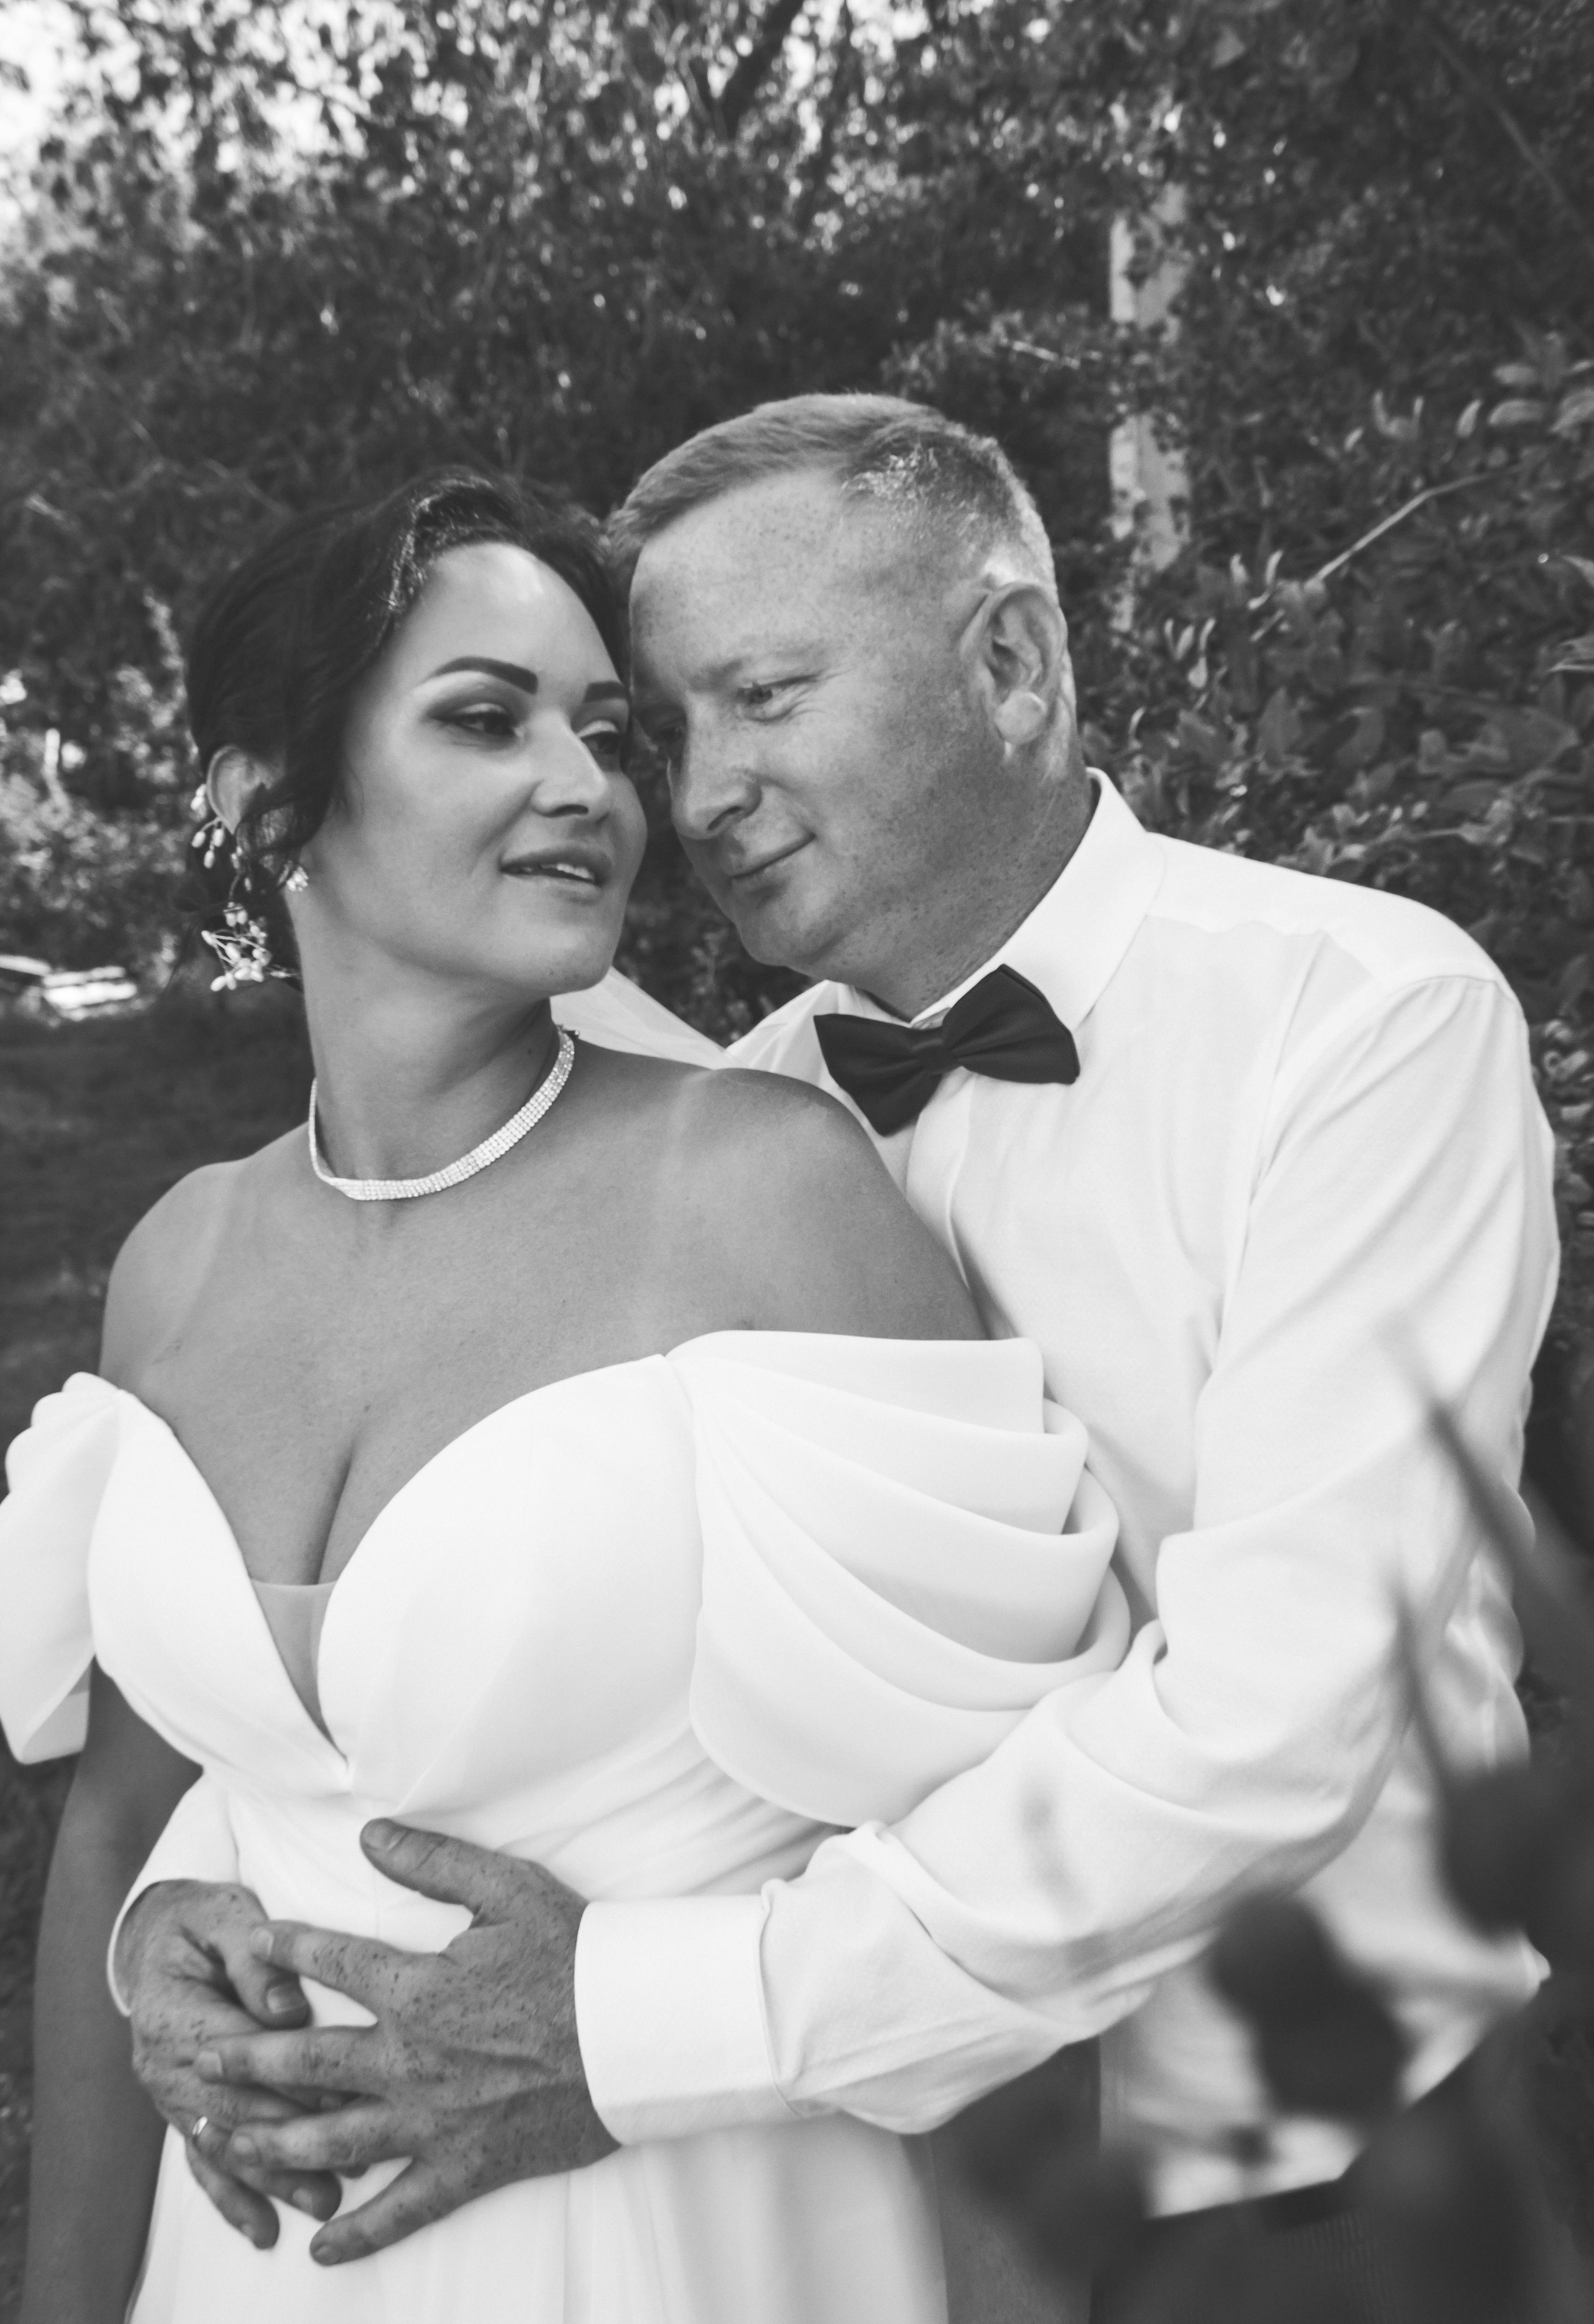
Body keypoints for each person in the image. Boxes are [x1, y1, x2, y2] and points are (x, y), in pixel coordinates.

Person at [95, 397, 1557, 2319]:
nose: (692, 797)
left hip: (1304, 2172)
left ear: (1014, 662)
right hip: (866, 2173)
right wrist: (199, 1930)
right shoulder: (746, 1125)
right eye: (667, 731)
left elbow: (1276, 1718)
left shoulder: (1359, 1022)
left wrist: (632, 2022)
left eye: (763, 697)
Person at [0, 463, 1131, 2324]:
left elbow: (1005, 1890)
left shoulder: (762, 1191)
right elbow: (126, 1827)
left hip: (710, 2252)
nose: (589, 787)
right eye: (484, 718)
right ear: (262, 793)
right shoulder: (176, 1264)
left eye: (612, 735)